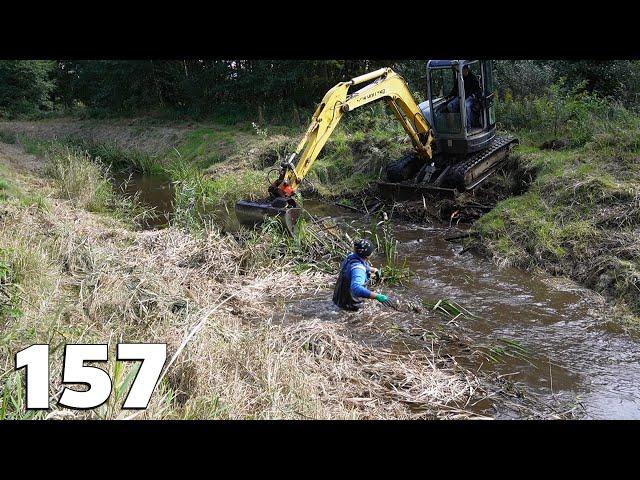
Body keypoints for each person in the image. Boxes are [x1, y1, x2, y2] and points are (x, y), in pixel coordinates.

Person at [332, 239, 392, 311]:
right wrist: (377, 296)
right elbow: (356, 288)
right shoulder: (358, 269)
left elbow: (356, 265)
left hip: (338, 299)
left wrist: (372, 269)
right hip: (350, 306)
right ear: (367, 255)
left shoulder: (351, 257)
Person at [447, 64, 482, 130]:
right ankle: (456, 125)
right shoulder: (459, 78)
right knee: (450, 106)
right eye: (462, 70)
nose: (463, 72)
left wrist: (478, 100)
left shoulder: (473, 78)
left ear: (467, 70)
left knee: (466, 106)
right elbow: (454, 89)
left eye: (465, 70)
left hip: (470, 97)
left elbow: (478, 90)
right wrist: (449, 96)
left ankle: (468, 127)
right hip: (460, 97)